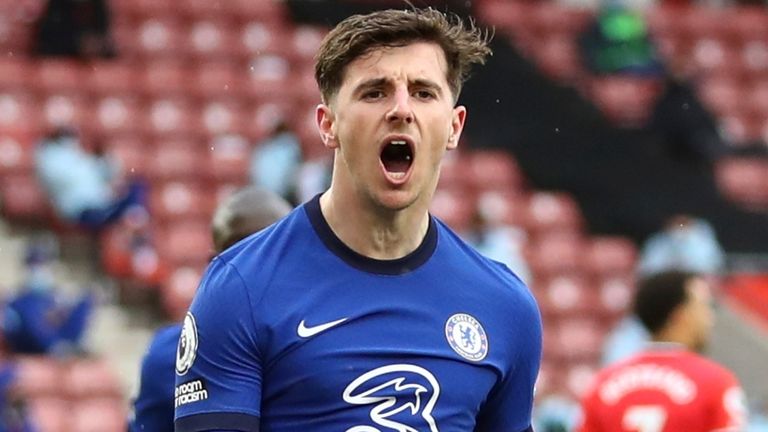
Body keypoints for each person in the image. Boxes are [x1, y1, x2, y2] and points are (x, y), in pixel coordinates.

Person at [174, 8, 541, 432]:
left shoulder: (505, 306)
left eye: (423, 92)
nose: (402, 109)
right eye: (375, 92)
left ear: (455, 127)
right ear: (328, 124)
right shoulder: (242, 288)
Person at [128, 187, 292, 432]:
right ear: (215, 265)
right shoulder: (171, 356)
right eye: (250, 254)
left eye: (281, 254)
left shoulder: (324, 343)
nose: (267, 269)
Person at [578, 270, 748, 431]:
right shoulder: (716, 383)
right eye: (704, 306)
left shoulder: (601, 385)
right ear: (681, 314)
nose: (710, 316)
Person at [35, 127, 148, 230]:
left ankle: (135, 221)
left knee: (137, 186)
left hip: (103, 204)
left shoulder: (81, 157)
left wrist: (103, 157)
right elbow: (61, 181)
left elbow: (111, 173)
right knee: (125, 214)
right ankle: (134, 223)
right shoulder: (51, 159)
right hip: (81, 212)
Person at [1, 239, 93, 356]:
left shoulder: (57, 299)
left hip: (58, 354)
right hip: (27, 354)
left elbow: (71, 328)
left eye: (44, 263)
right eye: (35, 263)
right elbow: (21, 330)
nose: (39, 269)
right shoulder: (18, 301)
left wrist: (85, 302)